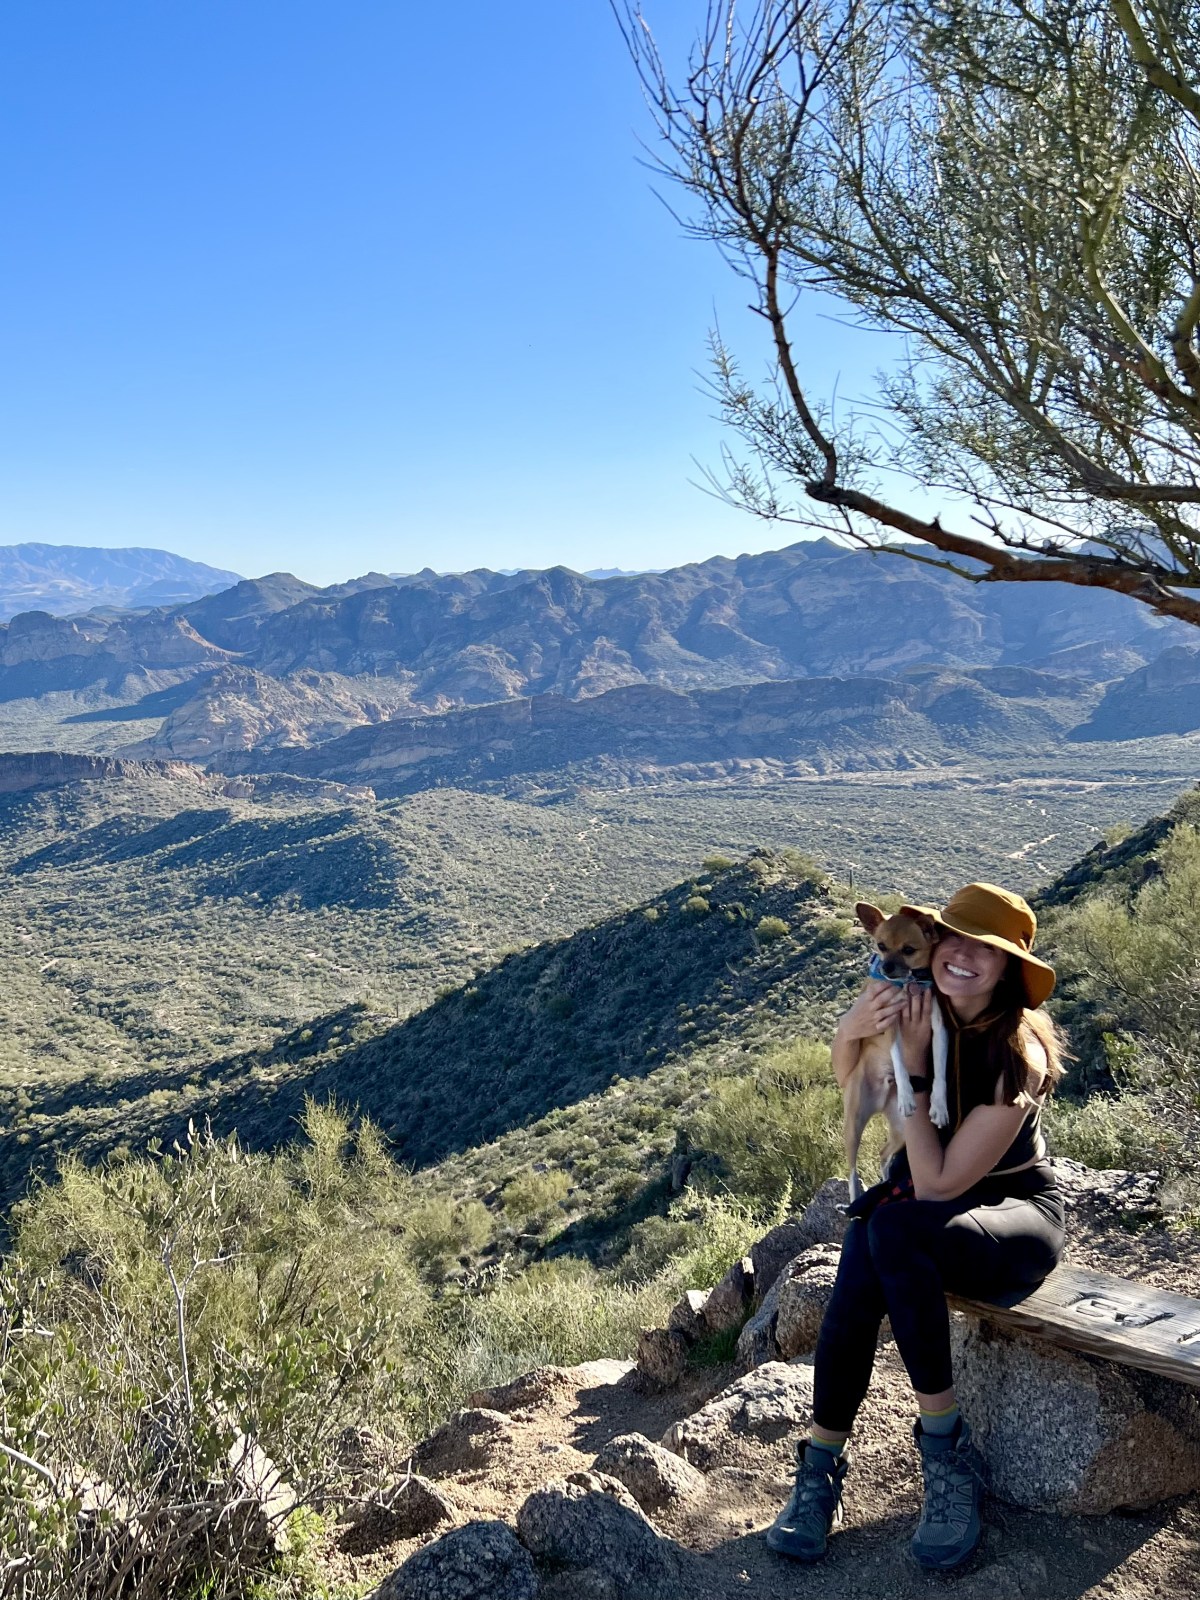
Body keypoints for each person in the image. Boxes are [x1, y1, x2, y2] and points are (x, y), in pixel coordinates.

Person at [766, 882, 1066, 1571]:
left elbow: (936, 1182)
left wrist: (920, 1072)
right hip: (928, 1208)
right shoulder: (916, 1003)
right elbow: (854, 1079)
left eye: (983, 949)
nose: (961, 955)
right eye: (951, 938)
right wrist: (851, 1030)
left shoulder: (1018, 1057)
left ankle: (944, 1451)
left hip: (1012, 1212)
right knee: (876, 1233)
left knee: (892, 1226)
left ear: (1009, 968)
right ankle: (821, 1464)